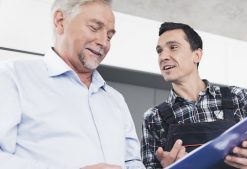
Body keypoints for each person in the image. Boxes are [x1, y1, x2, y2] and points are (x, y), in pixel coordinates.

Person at [0, 0, 145, 169]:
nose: (104, 43)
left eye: (109, 36)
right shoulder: (12, 77)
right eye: (94, 28)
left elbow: (132, 162)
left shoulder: (116, 100)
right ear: (60, 21)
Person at [141, 22, 247, 169]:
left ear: (197, 55)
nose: (163, 56)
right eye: (159, 51)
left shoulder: (236, 96)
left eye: (173, 47)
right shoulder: (154, 117)